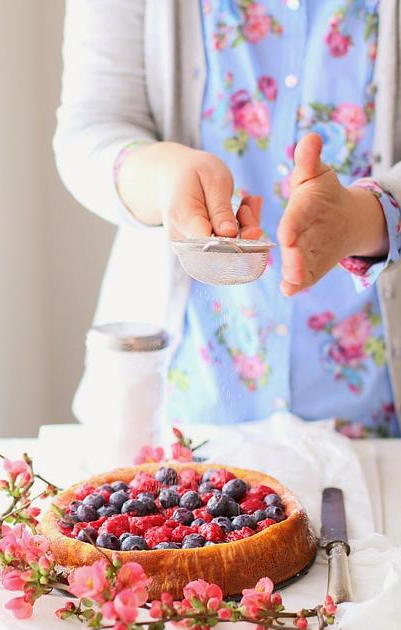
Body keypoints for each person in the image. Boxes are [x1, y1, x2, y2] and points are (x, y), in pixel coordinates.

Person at [54, 0, 401, 438]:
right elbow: (90, 128)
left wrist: (367, 218)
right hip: (177, 402)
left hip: (378, 420)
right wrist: (161, 175)